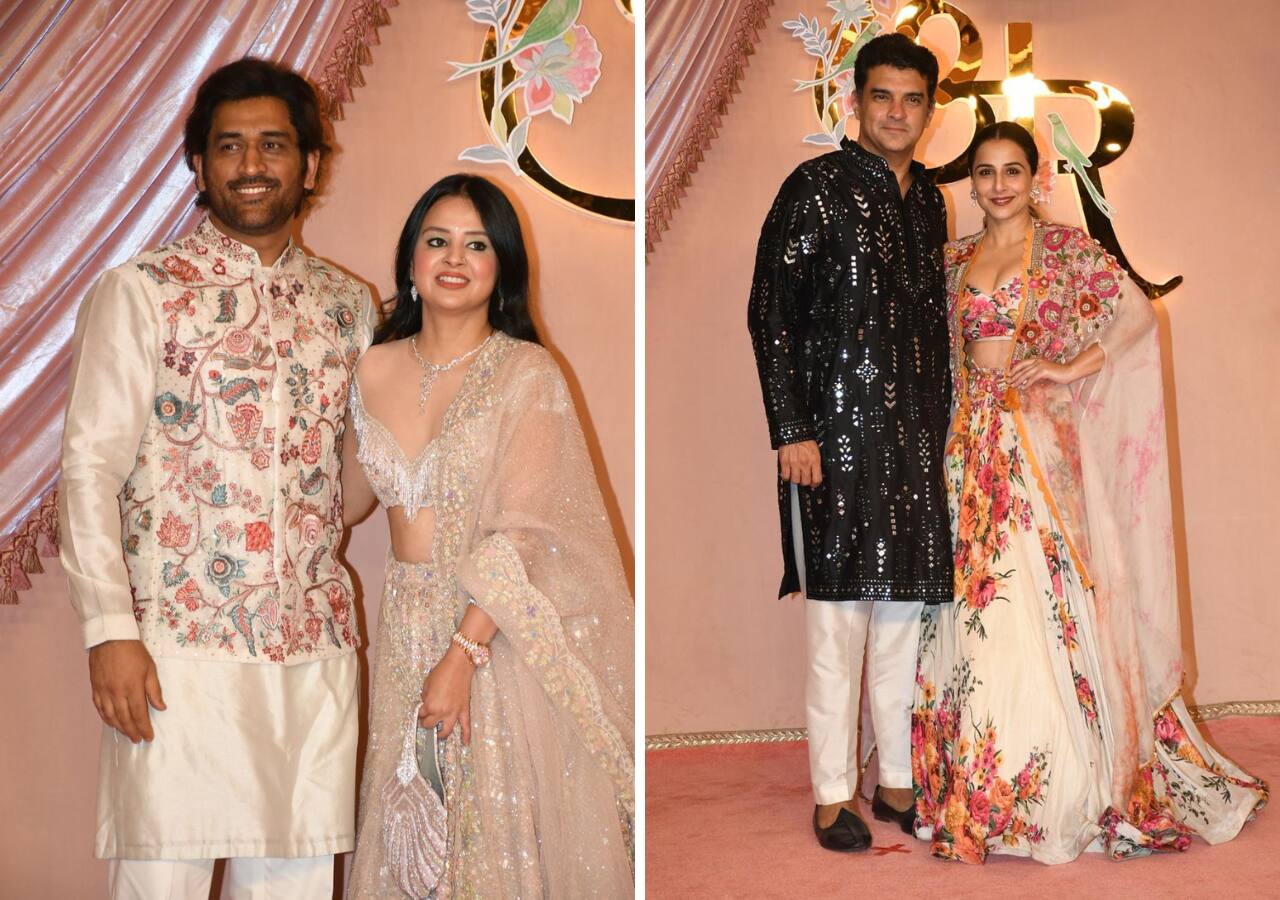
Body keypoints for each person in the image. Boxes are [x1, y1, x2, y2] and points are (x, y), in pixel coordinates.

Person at [58, 58, 376, 897]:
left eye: (274, 144)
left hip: (311, 653)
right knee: (160, 879)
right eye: (228, 145)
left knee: (296, 883)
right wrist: (107, 630)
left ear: (311, 163)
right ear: (198, 164)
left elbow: (353, 475)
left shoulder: (350, 307)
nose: (251, 165)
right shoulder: (142, 293)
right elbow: (90, 467)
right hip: (175, 652)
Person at [911, 121, 1268, 864]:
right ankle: (988, 782)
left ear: (1035, 178)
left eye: (1013, 170)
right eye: (985, 172)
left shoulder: (1067, 249)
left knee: (1040, 599)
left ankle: (1066, 782)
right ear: (970, 181)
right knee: (977, 607)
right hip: (968, 450)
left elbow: (1138, 314)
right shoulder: (952, 260)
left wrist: (1070, 370)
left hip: (1038, 446)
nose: (999, 184)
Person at [343, 173, 634, 896]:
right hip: (407, 620)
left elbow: (527, 533)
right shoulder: (370, 367)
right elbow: (347, 503)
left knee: (485, 831)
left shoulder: (525, 372)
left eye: (477, 244)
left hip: (491, 635)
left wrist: (462, 654)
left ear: (501, 266)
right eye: (436, 240)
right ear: (411, 260)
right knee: (412, 832)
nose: (453, 257)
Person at [747, 33, 952, 852]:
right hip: (831, 439)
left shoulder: (929, 201)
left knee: (904, 618)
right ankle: (833, 793)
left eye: (912, 100)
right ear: (855, 101)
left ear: (929, 111)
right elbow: (770, 312)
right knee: (838, 628)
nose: (897, 113)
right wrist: (791, 429)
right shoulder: (816, 190)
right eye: (882, 97)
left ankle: (895, 779)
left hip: (913, 442)